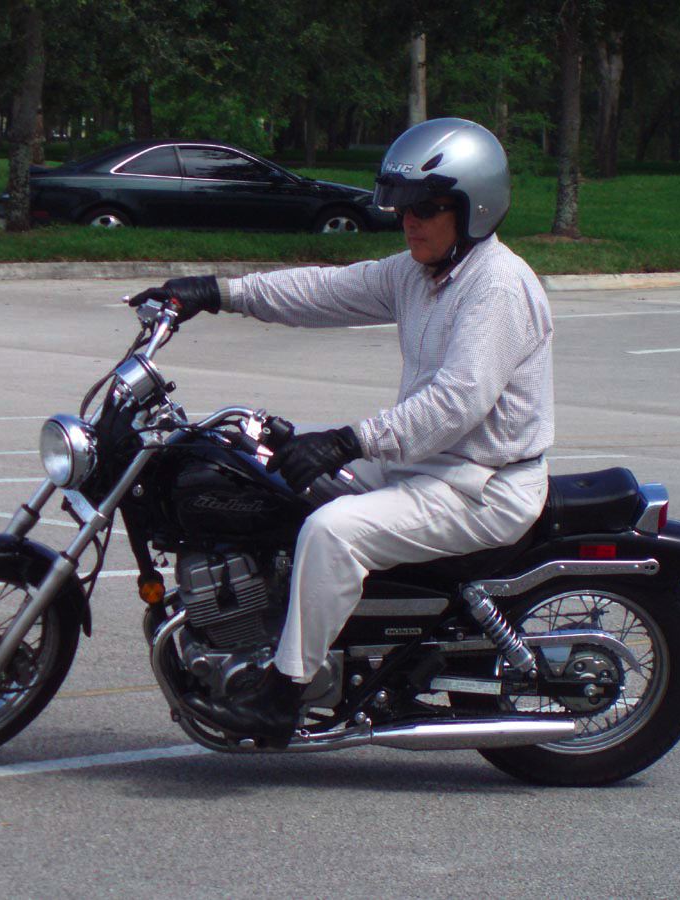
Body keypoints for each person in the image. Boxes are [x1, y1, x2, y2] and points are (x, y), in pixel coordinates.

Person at [128, 117, 554, 744]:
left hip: (481, 484)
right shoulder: (422, 273)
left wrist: (348, 442)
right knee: (269, 471)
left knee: (333, 531)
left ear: (474, 208)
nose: (409, 220)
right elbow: (324, 290)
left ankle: (282, 696)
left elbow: (455, 403)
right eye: (403, 206)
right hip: (429, 465)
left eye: (426, 208)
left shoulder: (497, 288)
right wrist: (217, 293)